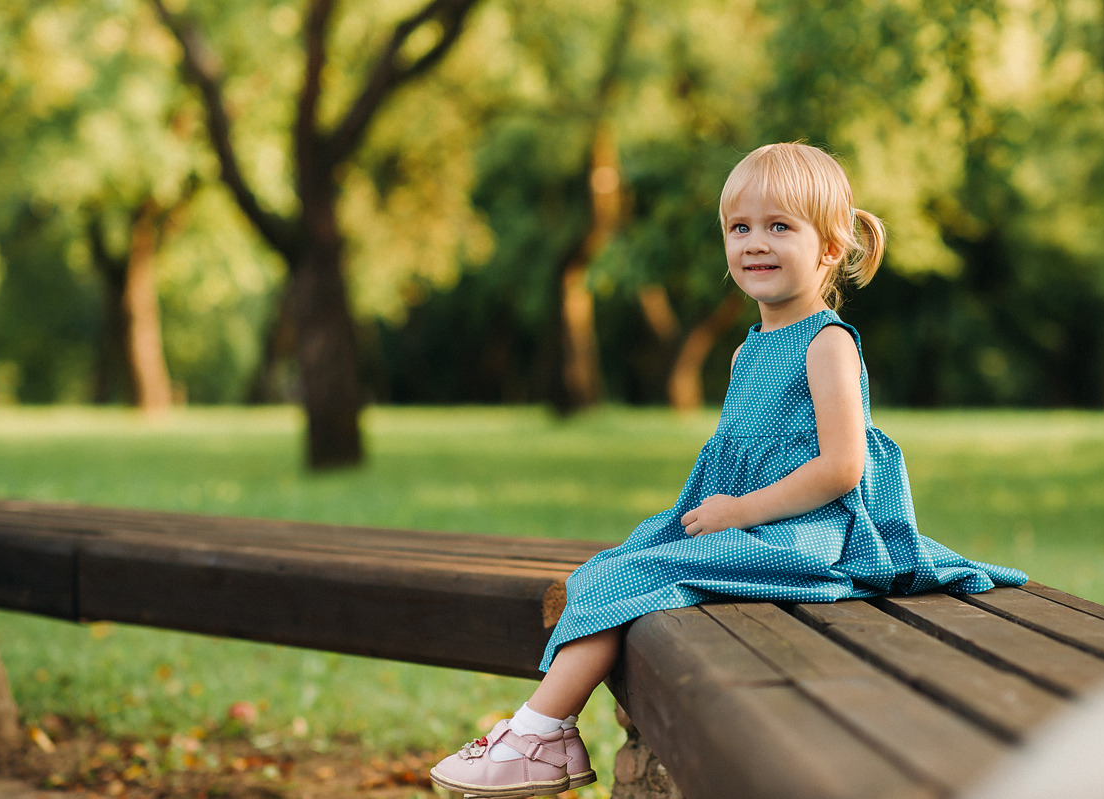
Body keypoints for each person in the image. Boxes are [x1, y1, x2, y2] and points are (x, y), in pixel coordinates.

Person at [429, 142, 1028, 798]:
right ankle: (548, 734)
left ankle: (538, 730)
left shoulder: (826, 343)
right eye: (740, 228)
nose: (754, 243)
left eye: (779, 227)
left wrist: (740, 512)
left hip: (809, 535)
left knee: (645, 571)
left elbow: (842, 467)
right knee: (609, 566)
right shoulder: (750, 350)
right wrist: (722, 512)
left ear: (829, 248)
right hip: (748, 523)